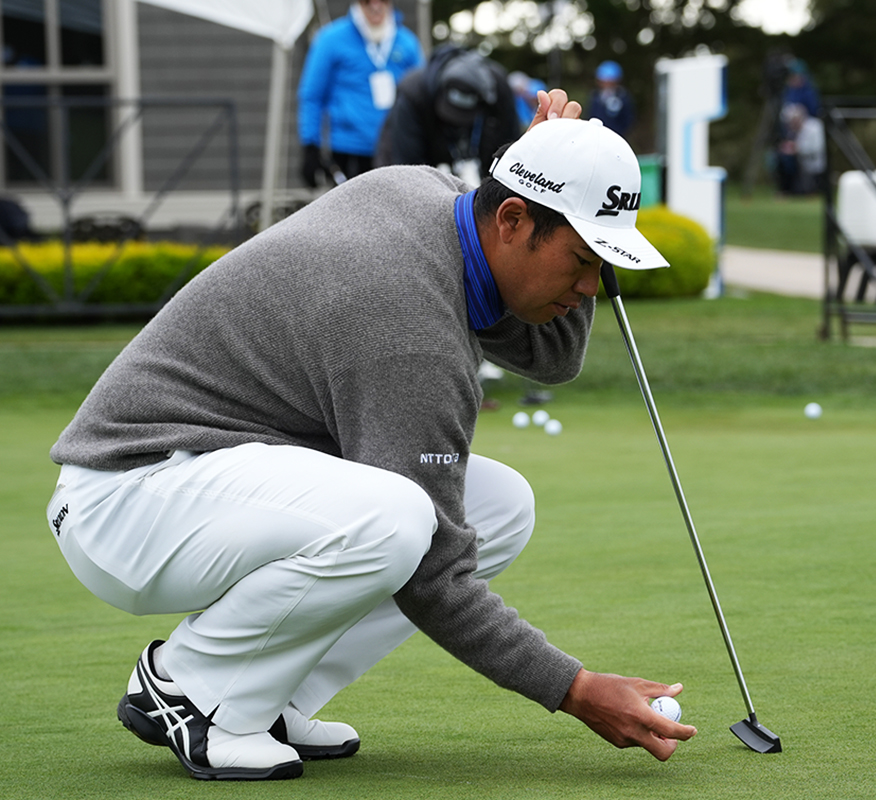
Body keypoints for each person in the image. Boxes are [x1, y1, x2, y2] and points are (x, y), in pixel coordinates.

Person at [44, 92, 696, 782]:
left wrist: (549, 166)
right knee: (399, 519)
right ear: (511, 219)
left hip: (207, 477)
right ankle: (193, 689)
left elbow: (552, 356)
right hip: (128, 497)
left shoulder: (433, 198)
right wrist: (576, 689)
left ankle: (266, 696)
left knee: (500, 506)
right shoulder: (405, 325)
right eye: (583, 260)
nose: (592, 287)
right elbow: (435, 575)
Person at [297, 0, 424, 188]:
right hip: (348, 151)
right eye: (367, 1)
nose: (375, 6)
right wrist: (310, 146)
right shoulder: (330, 39)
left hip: (395, 151)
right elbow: (312, 95)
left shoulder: (407, 42)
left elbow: (420, 98)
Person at [375, 45, 520, 187]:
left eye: (465, 114)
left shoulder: (499, 90)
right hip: (416, 161)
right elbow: (406, 165)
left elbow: (509, 149)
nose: (457, 122)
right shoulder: (413, 93)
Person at [586, 61, 635, 139]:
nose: (607, 84)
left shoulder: (623, 97)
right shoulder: (595, 97)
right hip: (597, 136)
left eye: (610, 81)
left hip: (617, 137)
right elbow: (590, 115)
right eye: (604, 81)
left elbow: (628, 120)